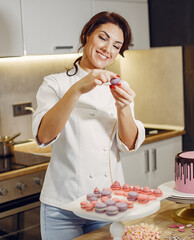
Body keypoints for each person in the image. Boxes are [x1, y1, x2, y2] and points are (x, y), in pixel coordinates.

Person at [32, 11, 145, 240]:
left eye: (116, 45)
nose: (107, 49)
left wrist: (123, 107)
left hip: (107, 204)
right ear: (86, 35)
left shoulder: (120, 86)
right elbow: (43, 136)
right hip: (62, 207)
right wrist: (77, 90)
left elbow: (130, 144)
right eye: (103, 38)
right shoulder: (55, 84)